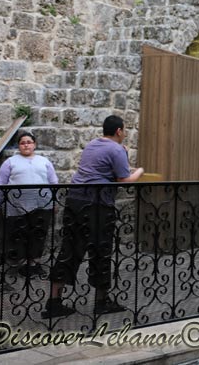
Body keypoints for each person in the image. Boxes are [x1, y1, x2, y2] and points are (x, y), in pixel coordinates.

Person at [44, 115, 144, 318]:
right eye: (124, 130)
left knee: (70, 249)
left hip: (75, 201)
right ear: (119, 131)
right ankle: (101, 301)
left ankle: (54, 301)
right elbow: (124, 179)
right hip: (97, 205)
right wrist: (140, 171)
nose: (124, 133)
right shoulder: (116, 149)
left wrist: (122, 154)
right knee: (101, 251)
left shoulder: (92, 144)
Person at [0, 131, 58, 278]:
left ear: (34, 144)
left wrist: (54, 202)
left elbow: (53, 182)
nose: (26, 145)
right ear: (19, 146)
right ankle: (22, 264)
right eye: (23, 143)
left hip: (42, 204)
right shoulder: (10, 162)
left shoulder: (44, 161)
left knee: (38, 234)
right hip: (17, 205)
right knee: (18, 235)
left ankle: (34, 264)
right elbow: (0, 184)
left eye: (29, 142)